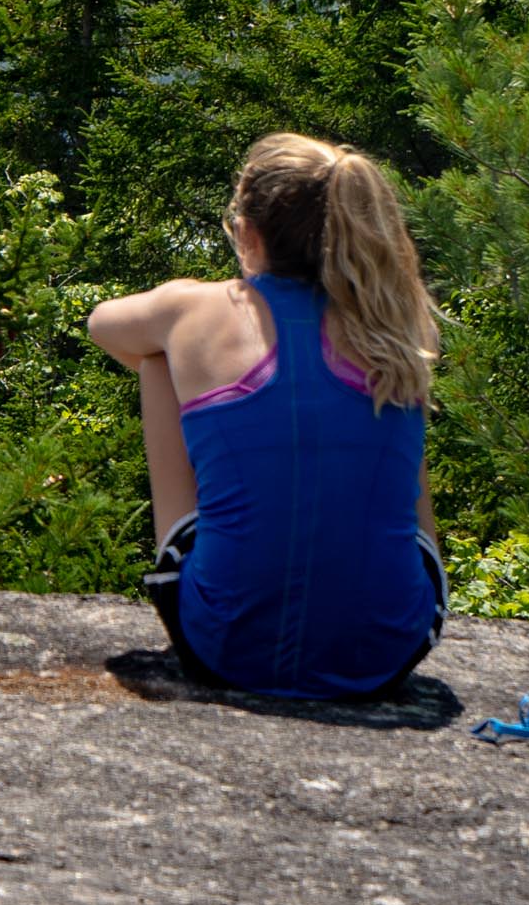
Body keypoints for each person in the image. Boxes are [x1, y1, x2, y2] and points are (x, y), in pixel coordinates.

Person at [86, 132, 445, 698]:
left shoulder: (194, 308)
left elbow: (102, 324)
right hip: (388, 646)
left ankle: (201, 559)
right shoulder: (396, 323)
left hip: (225, 645)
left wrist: (201, 366)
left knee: (159, 358)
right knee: (392, 394)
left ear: (247, 232)